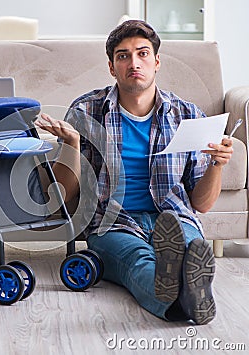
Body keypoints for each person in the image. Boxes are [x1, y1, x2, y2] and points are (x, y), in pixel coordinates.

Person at [35, 20, 234, 325]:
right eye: (123, 56)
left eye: (142, 54)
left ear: (156, 63)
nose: (134, 63)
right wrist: (72, 143)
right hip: (112, 221)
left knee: (188, 249)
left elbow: (202, 204)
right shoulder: (87, 111)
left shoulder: (187, 115)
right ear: (112, 67)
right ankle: (186, 301)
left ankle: (183, 291)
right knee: (138, 260)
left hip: (173, 216)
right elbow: (64, 194)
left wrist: (218, 164)